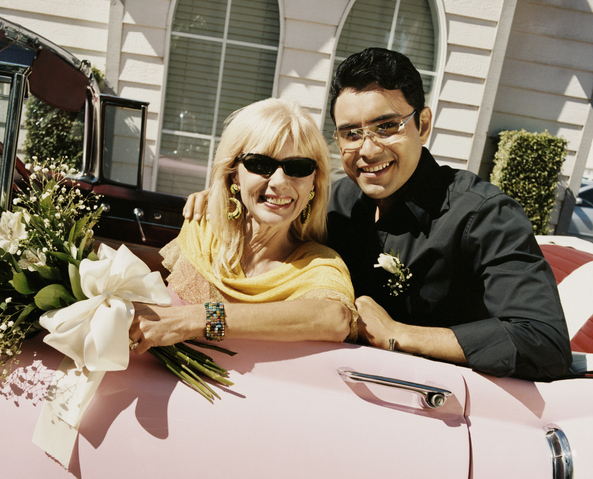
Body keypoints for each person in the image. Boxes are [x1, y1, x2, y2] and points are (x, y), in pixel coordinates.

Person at [184, 48, 572, 381]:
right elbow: (274, 237)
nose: (367, 149)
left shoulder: (484, 215)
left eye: (386, 127)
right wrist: (226, 198)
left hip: (445, 415)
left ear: (423, 125)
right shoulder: (336, 204)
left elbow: (544, 342)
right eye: (351, 133)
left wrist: (400, 334)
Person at [129, 98, 357, 353]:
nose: (280, 182)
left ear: (314, 181)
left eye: (298, 167)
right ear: (234, 174)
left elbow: (335, 318)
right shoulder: (203, 229)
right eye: (260, 164)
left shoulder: (317, 265)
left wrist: (197, 320)